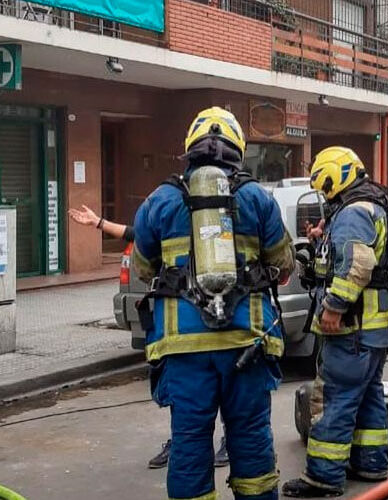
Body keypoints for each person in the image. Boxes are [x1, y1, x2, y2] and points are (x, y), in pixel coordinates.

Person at [132, 106, 295, 500]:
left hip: (183, 347)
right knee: (251, 436)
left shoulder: (159, 200)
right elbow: (283, 265)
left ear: (189, 150)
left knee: (189, 441)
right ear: (238, 149)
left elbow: (142, 268)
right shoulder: (257, 197)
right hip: (246, 342)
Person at [68, 204, 231, 470]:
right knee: (186, 390)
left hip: (214, 317)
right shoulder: (171, 215)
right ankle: (184, 442)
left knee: (219, 382)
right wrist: (99, 223)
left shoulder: (219, 221)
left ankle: (226, 441)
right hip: (183, 321)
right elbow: (136, 234)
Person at [283, 146, 388, 498]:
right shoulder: (370, 204)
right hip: (375, 327)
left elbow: (357, 266)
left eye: (324, 185)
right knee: (369, 395)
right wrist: (321, 243)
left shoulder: (351, 213)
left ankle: (324, 476)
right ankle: (371, 462)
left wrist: (333, 307)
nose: (324, 193)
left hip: (353, 326)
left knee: (335, 398)